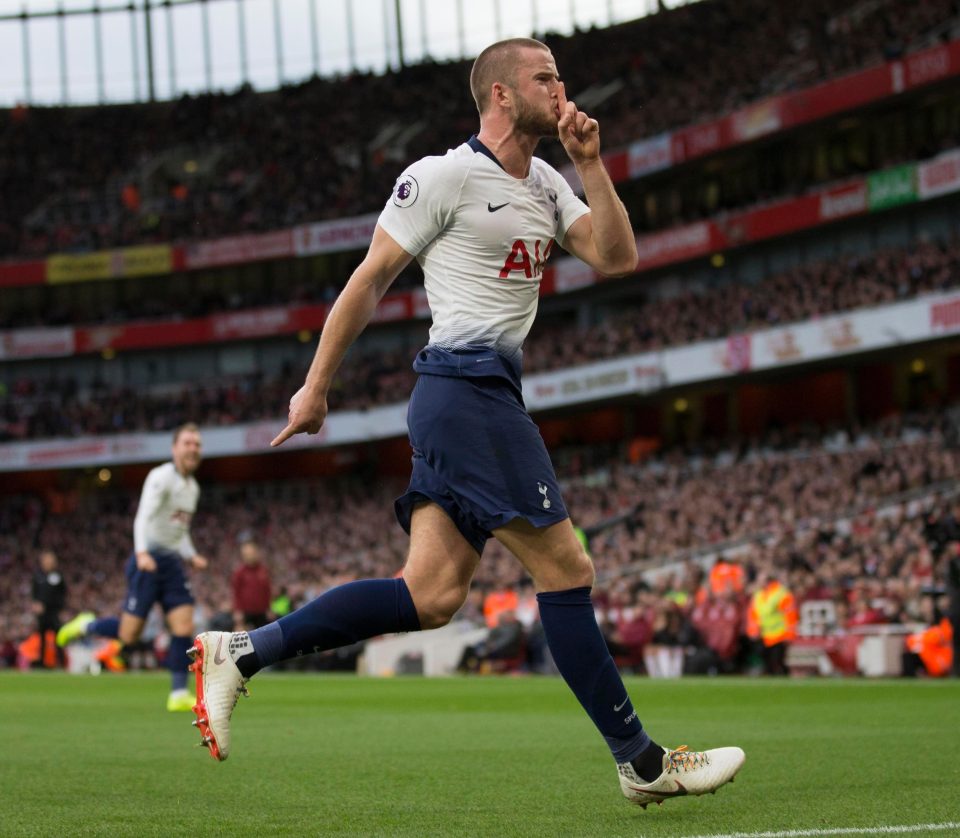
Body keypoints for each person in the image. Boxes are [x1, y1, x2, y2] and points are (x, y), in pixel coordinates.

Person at [189, 38, 744, 807]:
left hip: (485, 396)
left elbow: (617, 258)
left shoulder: (549, 181)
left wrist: (591, 162)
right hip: (463, 391)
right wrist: (314, 389)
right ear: (503, 97)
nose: (563, 89)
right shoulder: (441, 176)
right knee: (567, 570)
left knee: (430, 595)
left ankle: (243, 650)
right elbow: (370, 278)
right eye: (545, 78)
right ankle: (642, 762)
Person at [57, 423, 209, 711]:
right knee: (129, 635)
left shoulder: (192, 488)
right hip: (148, 560)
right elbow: (143, 518)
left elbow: (179, 530)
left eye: (197, 444)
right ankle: (85, 625)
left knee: (184, 625)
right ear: (174, 448)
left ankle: (178, 693)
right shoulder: (161, 477)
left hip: (171, 563)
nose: (193, 449)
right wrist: (141, 553)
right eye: (188, 443)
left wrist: (191, 555)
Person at [31, 550, 66, 669]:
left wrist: (61, 608)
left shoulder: (58, 576)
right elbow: (34, 593)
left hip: (54, 612)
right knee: (42, 638)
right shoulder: (38, 576)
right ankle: (42, 662)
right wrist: (35, 604)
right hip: (42, 613)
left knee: (59, 637)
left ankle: (61, 662)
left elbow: (62, 593)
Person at [230, 536, 272, 631]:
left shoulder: (263, 570)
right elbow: (236, 592)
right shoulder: (239, 572)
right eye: (246, 555)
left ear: (256, 553)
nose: (249, 557)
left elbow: (267, 590)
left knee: (263, 637)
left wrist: (269, 608)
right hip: (246, 613)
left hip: (262, 612)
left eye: (251, 553)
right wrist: (237, 611)